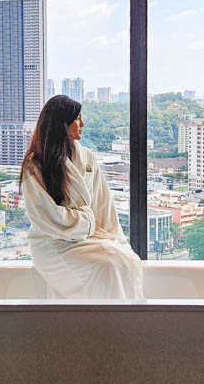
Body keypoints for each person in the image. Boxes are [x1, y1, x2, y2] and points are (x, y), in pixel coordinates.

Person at [19, 95, 144, 299]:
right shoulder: (36, 164)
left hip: (87, 237)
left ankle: (122, 322)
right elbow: (43, 214)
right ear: (62, 124)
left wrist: (118, 240)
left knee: (125, 259)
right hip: (52, 241)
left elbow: (103, 204)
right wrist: (85, 221)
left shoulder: (86, 156)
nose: (82, 123)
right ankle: (103, 323)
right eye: (77, 119)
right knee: (110, 262)